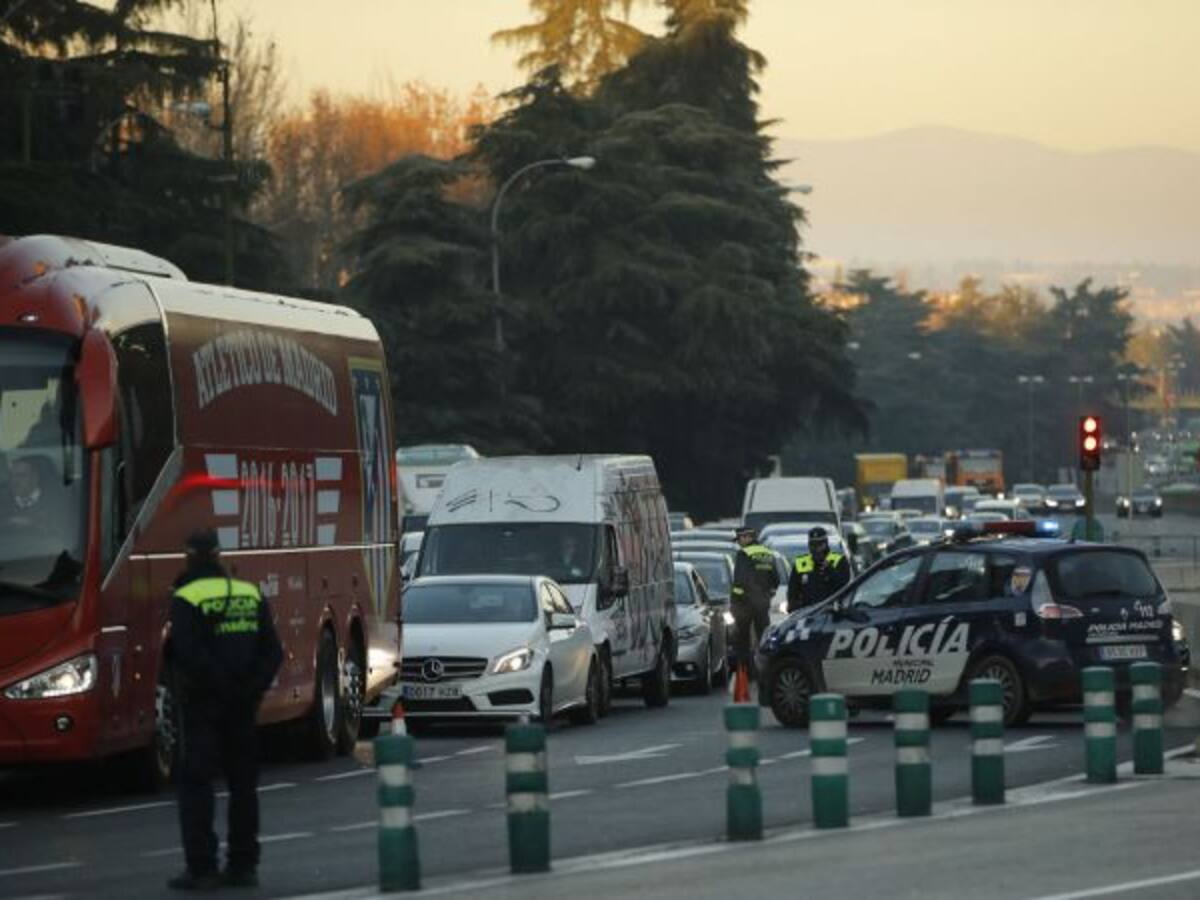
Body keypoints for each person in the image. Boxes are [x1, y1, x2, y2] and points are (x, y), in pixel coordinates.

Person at [168, 529, 283, 891]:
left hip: (203, 707)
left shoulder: (186, 597)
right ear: (218, 556)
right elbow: (273, 652)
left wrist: (219, 686)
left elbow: (189, 654)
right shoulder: (249, 593)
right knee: (243, 787)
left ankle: (202, 868)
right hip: (243, 708)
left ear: (188, 557)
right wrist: (251, 690)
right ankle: (243, 866)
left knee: (196, 784)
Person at [730, 526, 779, 675]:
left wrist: (735, 602)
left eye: (740, 539)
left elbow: (739, 581)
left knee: (743, 640)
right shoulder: (767, 553)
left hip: (745, 605)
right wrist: (766, 596)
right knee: (764, 638)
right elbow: (776, 580)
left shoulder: (743, 554)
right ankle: (768, 670)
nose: (739, 543)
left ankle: (746, 672)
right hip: (762, 604)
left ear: (747, 537)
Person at [787, 526, 851, 613]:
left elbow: (844, 585)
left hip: (832, 613)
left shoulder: (839, 560)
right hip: (806, 613)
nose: (816, 549)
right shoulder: (800, 563)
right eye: (812, 545)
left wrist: (829, 569)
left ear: (826, 544)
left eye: (820, 545)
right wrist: (793, 608)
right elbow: (792, 591)